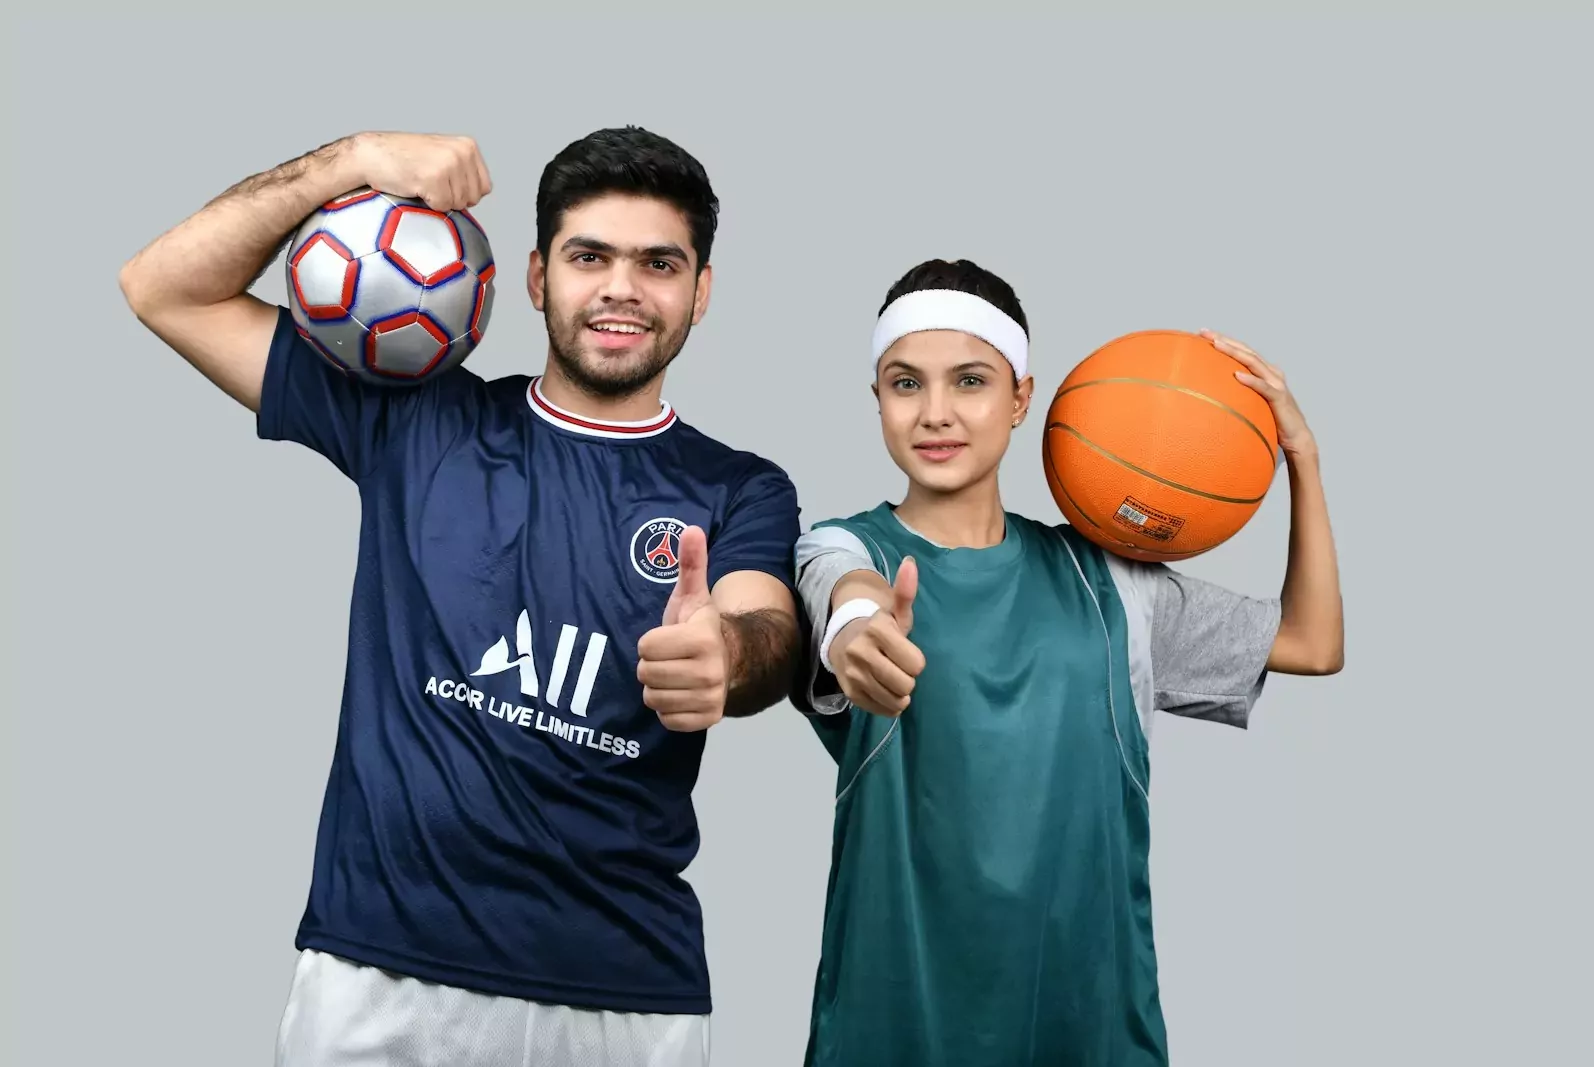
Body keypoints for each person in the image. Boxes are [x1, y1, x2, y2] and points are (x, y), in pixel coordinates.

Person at [118, 126, 804, 1066]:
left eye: (659, 263)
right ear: (533, 278)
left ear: (701, 291)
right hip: (380, 969)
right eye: (588, 256)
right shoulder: (419, 415)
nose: (620, 288)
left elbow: (765, 619)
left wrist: (728, 653)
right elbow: (162, 287)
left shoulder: (742, 486)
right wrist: (347, 162)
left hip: (623, 989)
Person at [790, 258, 1345, 1066]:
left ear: (1022, 397)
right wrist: (857, 620)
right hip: (893, 1030)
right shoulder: (840, 546)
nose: (935, 413)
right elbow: (845, 590)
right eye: (905, 383)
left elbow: (1312, 640)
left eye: (970, 381)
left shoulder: (1113, 583)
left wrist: (1302, 457)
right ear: (877, 397)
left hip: (1088, 1034)